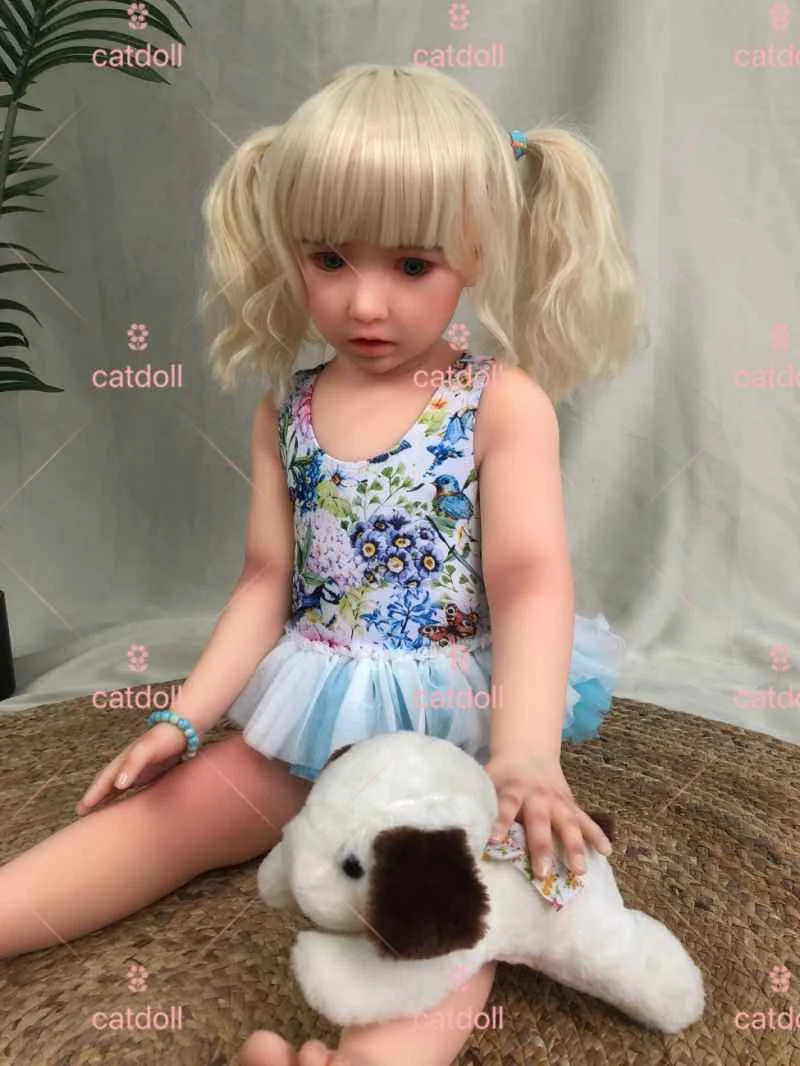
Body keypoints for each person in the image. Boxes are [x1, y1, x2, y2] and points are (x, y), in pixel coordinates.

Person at [0, 63, 648, 1066]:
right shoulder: (287, 408)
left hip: (451, 722)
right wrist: (182, 718)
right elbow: (266, 580)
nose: (364, 302)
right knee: (175, 812)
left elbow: (528, 578)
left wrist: (525, 754)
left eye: (413, 265)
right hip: (317, 703)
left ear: (475, 253)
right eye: (331, 259)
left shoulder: (498, 403)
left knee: (449, 894)